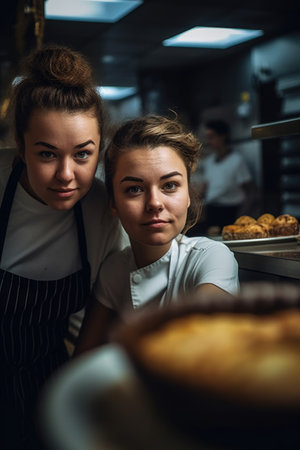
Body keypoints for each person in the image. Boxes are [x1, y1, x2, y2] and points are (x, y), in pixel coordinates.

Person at [0, 44, 126, 449]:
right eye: (47, 154)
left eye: (83, 155)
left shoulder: (102, 212)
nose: (66, 175)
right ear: (21, 147)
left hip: (52, 379)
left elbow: (106, 310)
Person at [75, 115, 239, 354]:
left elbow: (198, 344)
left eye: (169, 185)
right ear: (114, 205)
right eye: (134, 189)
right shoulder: (114, 271)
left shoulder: (211, 257)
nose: (154, 203)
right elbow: (83, 363)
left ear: (188, 196)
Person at [189, 119, 257, 236]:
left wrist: (243, 217)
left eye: (211, 137)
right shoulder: (209, 162)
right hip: (212, 211)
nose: (208, 141)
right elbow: (206, 188)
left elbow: (250, 191)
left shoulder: (236, 161)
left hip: (230, 212)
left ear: (223, 136)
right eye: (207, 137)